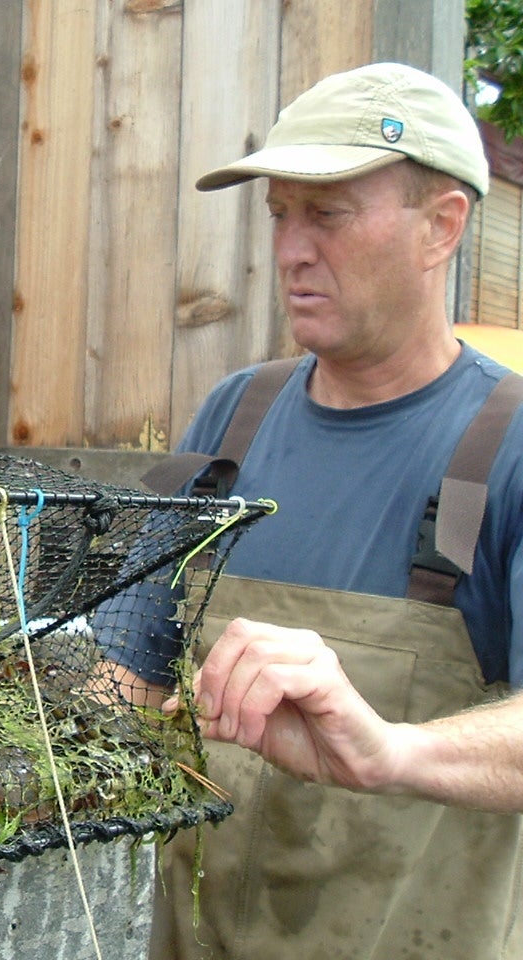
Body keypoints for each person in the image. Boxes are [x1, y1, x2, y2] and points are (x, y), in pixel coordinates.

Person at [127, 62, 523, 959]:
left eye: (328, 214)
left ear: (441, 226)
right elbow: (131, 658)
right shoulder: (234, 413)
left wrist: (393, 752)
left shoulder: (508, 448)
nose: (292, 250)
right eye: (280, 215)